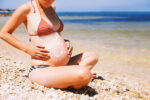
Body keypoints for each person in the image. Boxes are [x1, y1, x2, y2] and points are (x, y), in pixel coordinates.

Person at [0, 0, 98, 89]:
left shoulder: (52, 8)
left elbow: (53, 33)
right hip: (41, 69)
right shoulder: (26, 8)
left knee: (92, 56)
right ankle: (73, 79)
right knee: (85, 74)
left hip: (61, 65)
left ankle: (67, 78)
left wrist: (65, 41)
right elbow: (4, 33)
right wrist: (27, 49)